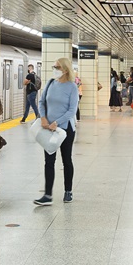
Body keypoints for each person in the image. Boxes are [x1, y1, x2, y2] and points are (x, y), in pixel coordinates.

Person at [34, 57, 79, 206]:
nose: (54, 69)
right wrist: (43, 118)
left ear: (65, 69)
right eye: (54, 66)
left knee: (67, 160)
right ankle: (47, 195)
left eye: (57, 67)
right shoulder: (51, 83)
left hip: (65, 130)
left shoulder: (72, 87)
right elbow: (41, 102)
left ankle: (68, 191)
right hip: (48, 129)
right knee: (49, 161)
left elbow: (72, 110)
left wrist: (57, 123)